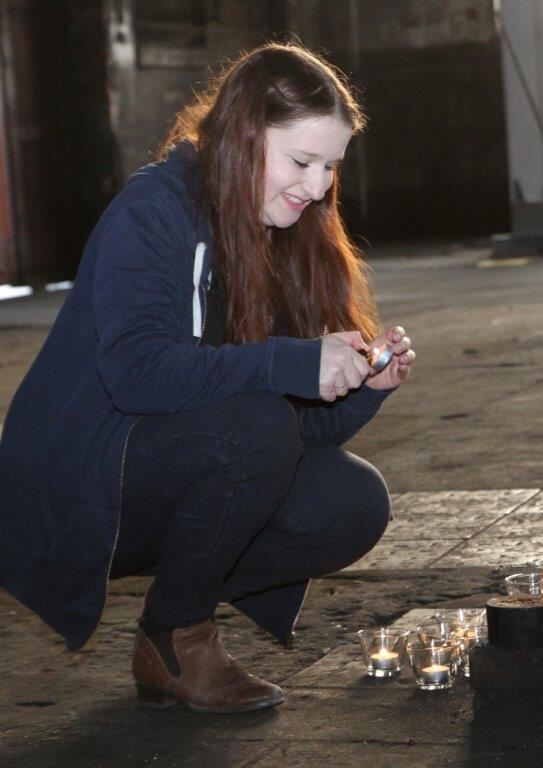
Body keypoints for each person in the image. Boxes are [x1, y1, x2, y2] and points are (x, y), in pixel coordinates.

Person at [0, 43, 415, 714]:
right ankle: (179, 641)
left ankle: (171, 613)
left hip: (174, 464)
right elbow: (138, 377)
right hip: (76, 480)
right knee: (250, 428)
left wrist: (364, 390)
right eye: (302, 162)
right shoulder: (154, 212)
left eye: (330, 167)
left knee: (350, 502)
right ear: (243, 137)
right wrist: (292, 360)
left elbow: (291, 431)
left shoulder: (278, 231)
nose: (316, 188)